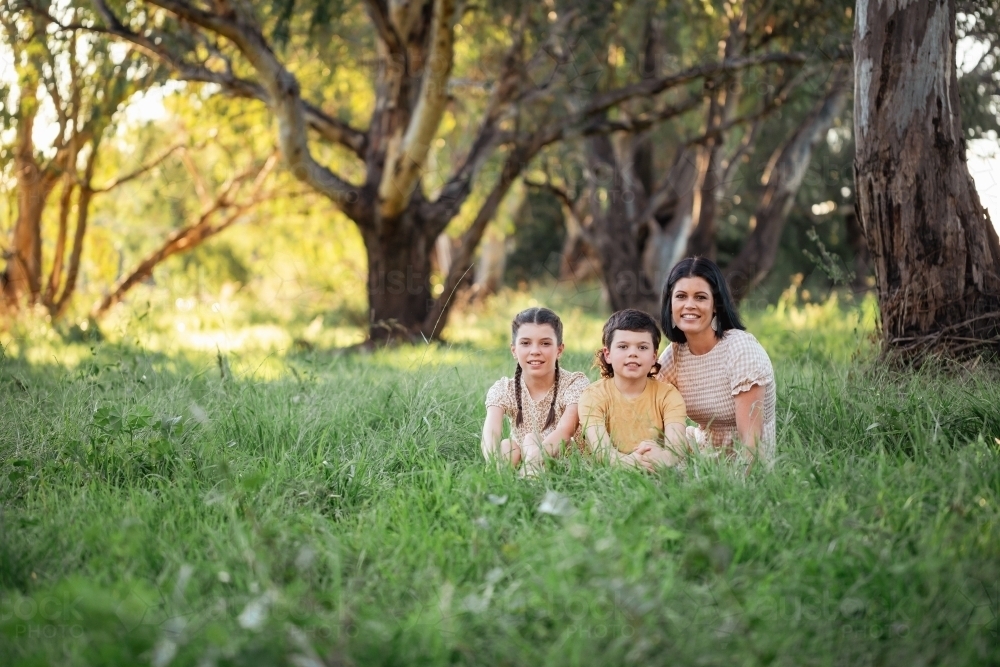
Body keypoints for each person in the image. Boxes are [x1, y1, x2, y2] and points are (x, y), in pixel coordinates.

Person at [657, 257, 776, 464]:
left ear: (715, 305)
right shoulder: (674, 355)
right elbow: (646, 409)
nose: (689, 305)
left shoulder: (741, 350)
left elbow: (752, 447)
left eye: (700, 297)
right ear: (670, 304)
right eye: (681, 296)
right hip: (702, 460)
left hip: (745, 466)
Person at [481, 307, 590, 475]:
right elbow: (491, 432)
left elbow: (565, 431)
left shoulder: (575, 383)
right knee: (506, 447)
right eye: (525, 343)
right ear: (514, 350)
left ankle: (529, 479)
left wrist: (533, 461)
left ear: (559, 350)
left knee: (532, 439)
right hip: (526, 457)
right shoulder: (504, 389)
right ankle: (500, 484)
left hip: (568, 463)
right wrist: (493, 459)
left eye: (545, 343)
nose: (535, 351)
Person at [578, 309, 688, 470]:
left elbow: (676, 449)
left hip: (656, 464)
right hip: (610, 472)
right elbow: (602, 451)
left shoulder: (668, 395)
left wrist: (662, 458)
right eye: (623, 347)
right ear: (607, 354)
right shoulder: (593, 395)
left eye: (642, 348)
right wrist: (630, 462)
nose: (632, 354)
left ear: (654, 356)